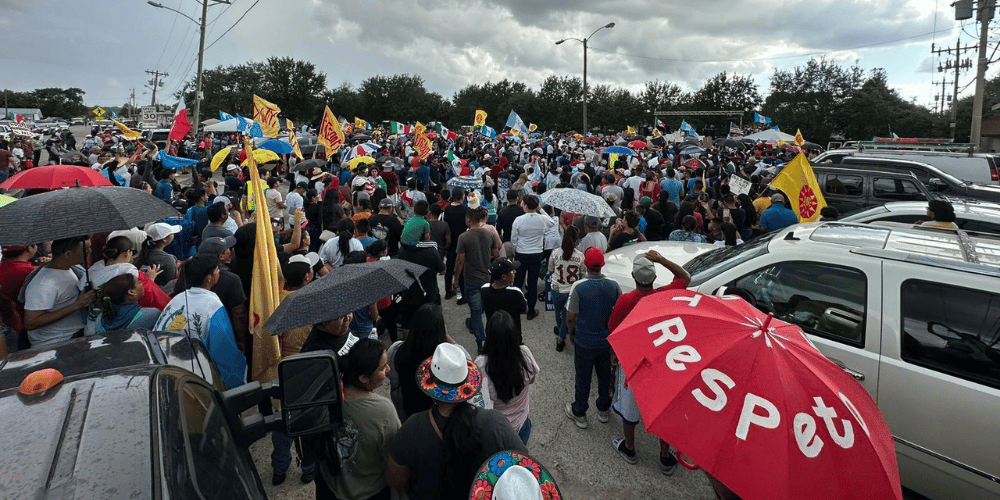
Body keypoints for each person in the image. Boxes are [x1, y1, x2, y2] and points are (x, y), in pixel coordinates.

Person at [386, 343, 527, 500]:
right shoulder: (494, 423)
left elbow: (395, 480)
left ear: (432, 391)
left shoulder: (412, 428)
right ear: (467, 388)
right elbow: (523, 471)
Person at [608, 251, 690, 475]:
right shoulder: (664, 295)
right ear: (654, 279)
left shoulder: (626, 300)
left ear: (634, 277)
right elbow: (685, 277)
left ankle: (630, 448)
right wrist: (662, 259)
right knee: (663, 409)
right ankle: (665, 456)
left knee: (629, 406)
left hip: (634, 361)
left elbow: (613, 328)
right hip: (662, 361)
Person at [311, 339, 401, 500]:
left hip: (330, 487)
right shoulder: (384, 411)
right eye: (382, 367)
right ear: (364, 378)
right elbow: (395, 458)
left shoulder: (329, 392)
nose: (388, 370)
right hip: (369, 493)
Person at [153, 255, 247, 389]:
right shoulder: (212, 306)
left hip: (164, 369)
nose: (219, 271)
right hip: (192, 380)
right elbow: (223, 350)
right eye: (216, 270)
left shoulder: (178, 299)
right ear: (208, 278)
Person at [564, 247, 621, 429]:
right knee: (605, 377)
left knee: (583, 378)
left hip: (584, 342)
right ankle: (603, 410)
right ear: (602, 264)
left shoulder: (579, 287)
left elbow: (570, 317)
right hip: (606, 342)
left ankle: (580, 412)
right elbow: (618, 313)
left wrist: (571, 332)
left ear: (585, 264)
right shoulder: (614, 285)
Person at [474, 311, 539, 445]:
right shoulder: (525, 354)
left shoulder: (480, 364)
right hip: (522, 425)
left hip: (496, 430)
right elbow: (532, 379)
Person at [22, 236, 95, 347]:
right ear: (68, 254)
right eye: (86, 249)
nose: (90, 252)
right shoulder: (44, 284)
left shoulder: (68, 268)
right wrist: (77, 305)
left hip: (75, 333)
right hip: (58, 341)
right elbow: (30, 322)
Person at [454, 208, 500, 354]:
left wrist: (456, 280)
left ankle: (481, 341)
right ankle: (491, 338)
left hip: (471, 279)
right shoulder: (489, 234)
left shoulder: (463, 237)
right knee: (487, 310)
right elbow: (496, 254)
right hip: (487, 278)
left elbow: (460, 261)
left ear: (468, 219)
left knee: (475, 311)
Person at [510, 194, 553, 320]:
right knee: (532, 282)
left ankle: (517, 308)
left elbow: (513, 239)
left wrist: (516, 250)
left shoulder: (519, 220)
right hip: (536, 254)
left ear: (525, 205)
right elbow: (551, 221)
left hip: (521, 253)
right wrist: (541, 209)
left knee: (518, 281)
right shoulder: (542, 219)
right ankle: (531, 311)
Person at [548, 226, 584, 352]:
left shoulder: (555, 253)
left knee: (558, 313)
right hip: (571, 291)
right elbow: (583, 275)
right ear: (575, 240)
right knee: (566, 315)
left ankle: (560, 334)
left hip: (557, 289)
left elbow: (551, 269)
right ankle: (561, 338)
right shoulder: (580, 256)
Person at [87, 273, 160, 334]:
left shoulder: (98, 321)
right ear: (131, 292)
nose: (141, 284)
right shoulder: (152, 315)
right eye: (138, 282)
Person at [481, 258, 527, 335]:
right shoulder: (516, 292)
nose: (515, 272)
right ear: (504, 277)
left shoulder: (484, 289)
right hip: (513, 334)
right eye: (512, 271)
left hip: (492, 333)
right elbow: (525, 310)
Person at [142, 222, 182, 289]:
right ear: (164, 239)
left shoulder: (144, 252)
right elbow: (173, 282)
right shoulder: (168, 259)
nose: (174, 234)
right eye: (171, 233)